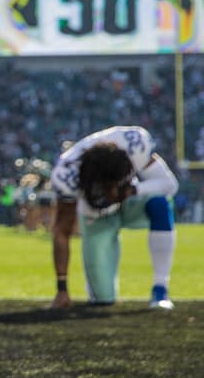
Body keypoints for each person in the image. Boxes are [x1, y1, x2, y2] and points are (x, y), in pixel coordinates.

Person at [48, 126, 179, 310]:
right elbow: (62, 230)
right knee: (102, 299)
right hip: (96, 218)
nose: (109, 192)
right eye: (104, 187)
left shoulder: (133, 145)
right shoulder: (67, 174)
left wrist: (133, 190)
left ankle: (160, 289)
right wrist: (62, 288)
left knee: (159, 204)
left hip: (129, 204)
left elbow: (169, 185)